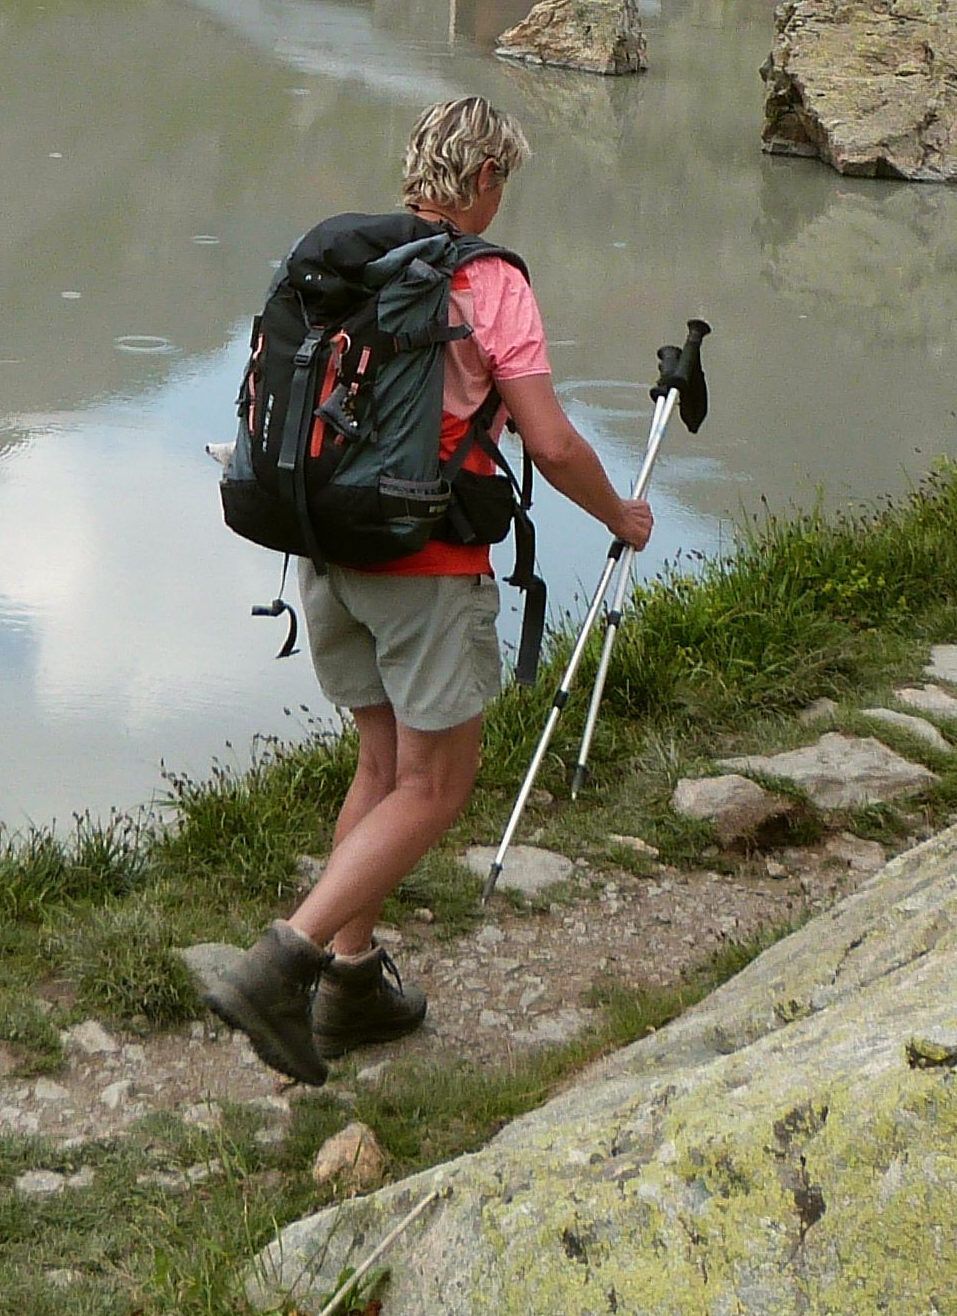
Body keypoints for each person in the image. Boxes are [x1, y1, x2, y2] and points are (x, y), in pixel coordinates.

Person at [193, 96, 653, 1084]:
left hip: (322, 552)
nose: (501, 198)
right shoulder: (485, 283)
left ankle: (352, 982)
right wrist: (619, 516)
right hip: (425, 564)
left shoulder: (333, 259)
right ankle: (283, 962)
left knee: (380, 768)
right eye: (504, 181)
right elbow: (553, 442)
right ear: (484, 179)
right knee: (435, 789)